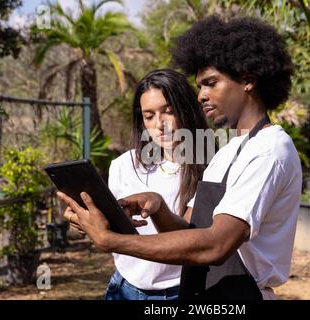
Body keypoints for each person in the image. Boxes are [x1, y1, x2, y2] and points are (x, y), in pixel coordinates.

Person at [59, 16, 301, 300]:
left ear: (248, 81)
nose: (201, 96)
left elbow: (216, 245)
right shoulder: (229, 151)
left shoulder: (269, 150)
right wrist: (159, 208)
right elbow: (193, 231)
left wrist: (112, 241)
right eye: (200, 86)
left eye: (211, 83)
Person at [70, 69, 208, 300]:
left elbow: (192, 241)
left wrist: (158, 207)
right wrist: (87, 220)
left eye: (169, 111)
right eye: (149, 115)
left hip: (180, 293)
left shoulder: (211, 168)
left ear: (187, 109)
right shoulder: (124, 165)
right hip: (124, 289)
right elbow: (114, 233)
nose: (159, 124)